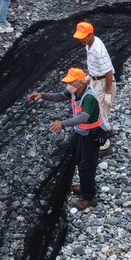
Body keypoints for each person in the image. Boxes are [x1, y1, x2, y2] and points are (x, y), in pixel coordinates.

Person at [30, 67, 105, 208]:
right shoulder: (74, 91)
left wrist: (62, 124)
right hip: (82, 133)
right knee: (79, 159)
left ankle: (89, 197)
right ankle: (85, 186)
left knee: (86, 166)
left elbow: (84, 117)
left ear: (80, 82)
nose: (68, 85)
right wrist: (42, 95)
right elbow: (59, 96)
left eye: (71, 82)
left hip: (93, 134)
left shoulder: (89, 97)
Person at [75, 21, 117, 152]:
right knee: (101, 110)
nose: (81, 39)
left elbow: (109, 72)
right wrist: (89, 77)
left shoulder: (98, 50)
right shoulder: (90, 43)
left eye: (83, 37)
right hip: (96, 80)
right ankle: (108, 129)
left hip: (104, 82)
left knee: (97, 114)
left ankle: (105, 146)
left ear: (90, 34)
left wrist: (108, 93)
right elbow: (96, 67)